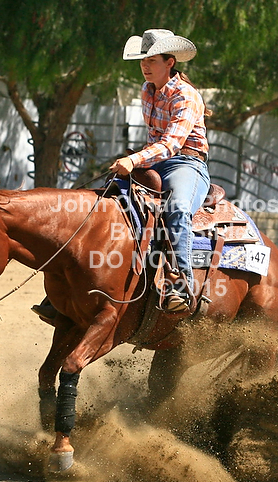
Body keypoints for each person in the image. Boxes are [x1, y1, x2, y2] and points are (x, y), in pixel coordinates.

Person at [109, 29, 211, 313]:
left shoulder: (186, 95)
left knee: (177, 208)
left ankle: (181, 286)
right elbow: (156, 141)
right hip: (155, 162)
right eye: (143, 60)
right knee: (107, 197)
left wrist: (134, 160)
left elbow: (171, 144)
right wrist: (138, 160)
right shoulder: (147, 90)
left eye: (152, 60)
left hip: (186, 163)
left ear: (170, 62)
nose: (145, 65)